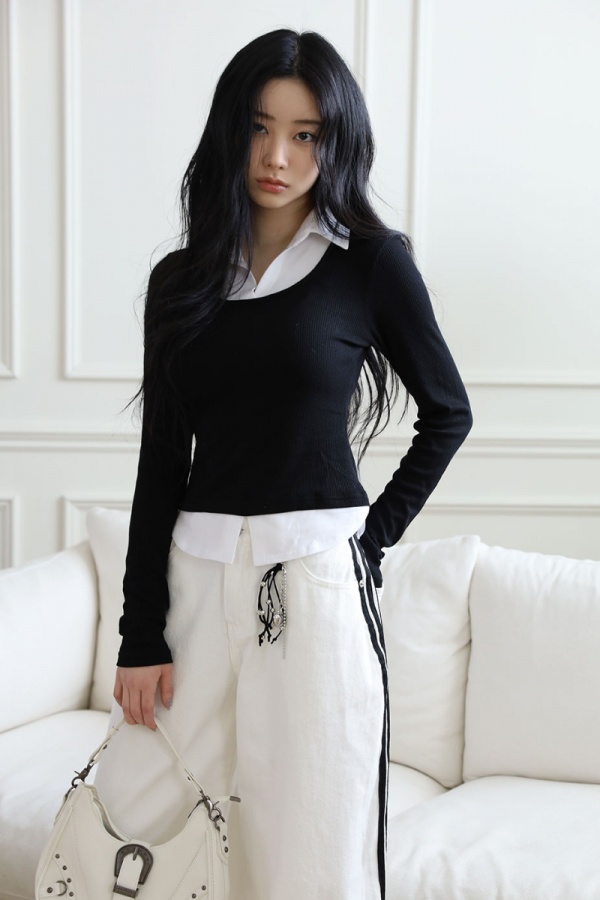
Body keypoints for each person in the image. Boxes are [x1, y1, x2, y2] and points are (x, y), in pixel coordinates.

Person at [93, 27, 473, 900]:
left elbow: (448, 413)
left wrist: (364, 543)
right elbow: (162, 461)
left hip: (315, 587)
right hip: (194, 581)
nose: (277, 157)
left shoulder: (370, 264)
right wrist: (140, 631)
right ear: (232, 131)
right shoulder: (181, 279)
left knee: (311, 844)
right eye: (261, 128)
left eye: (306, 135)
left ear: (336, 144)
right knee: (140, 818)